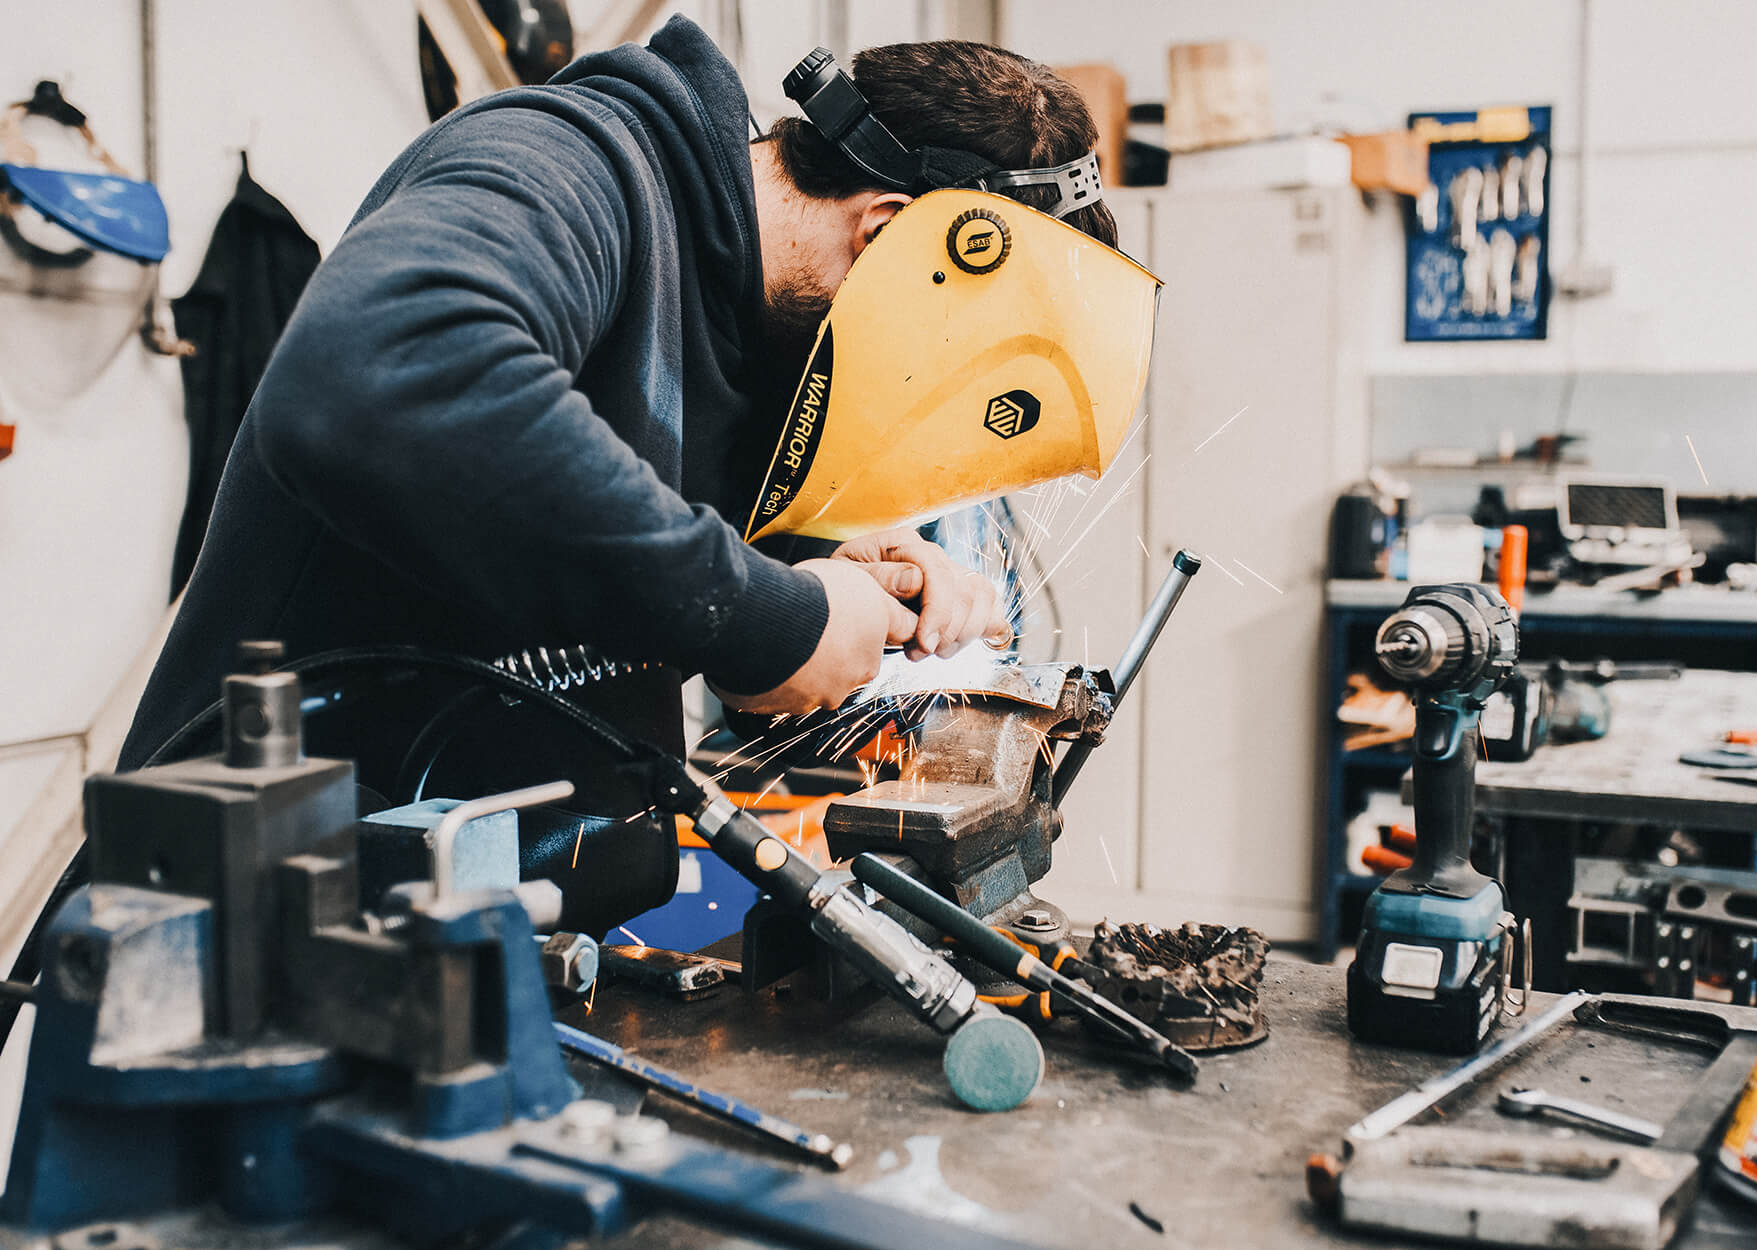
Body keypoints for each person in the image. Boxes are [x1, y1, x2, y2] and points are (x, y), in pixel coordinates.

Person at [111, 18, 1132, 932]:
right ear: (888, 231)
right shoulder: (572, 165)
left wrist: (821, 566)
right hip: (260, 937)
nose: (913, 390)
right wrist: (766, 615)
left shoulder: (755, 333)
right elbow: (382, 374)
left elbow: (626, 528)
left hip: (506, 935)